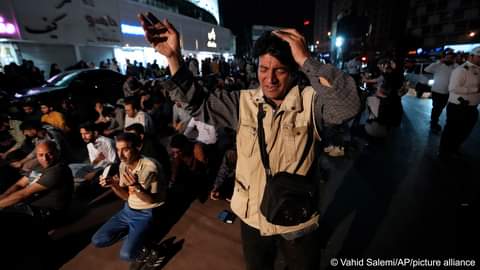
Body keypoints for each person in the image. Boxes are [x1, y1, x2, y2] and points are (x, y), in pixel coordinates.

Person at [139, 14, 359, 270]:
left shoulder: (311, 103)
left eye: (280, 70)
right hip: (252, 217)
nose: (270, 79)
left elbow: (347, 106)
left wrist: (306, 60)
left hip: (296, 219)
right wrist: (173, 57)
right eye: (264, 69)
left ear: (295, 71)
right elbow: (197, 103)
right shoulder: (242, 103)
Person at [91, 132, 167, 262]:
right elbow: (126, 197)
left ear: (137, 148)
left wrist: (136, 186)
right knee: (97, 240)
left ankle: (152, 248)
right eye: (118, 150)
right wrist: (113, 185)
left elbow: (151, 200)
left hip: (147, 212)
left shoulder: (150, 168)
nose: (120, 155)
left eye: (125, 150)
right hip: (128, 209)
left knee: (126, 255)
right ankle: (137, 238)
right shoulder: (123, 165)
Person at [0, 140, 73, 230]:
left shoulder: (57, 170)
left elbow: (23, 194)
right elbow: (20, 184)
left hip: (50, 212)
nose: (45, 159)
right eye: (41, 155)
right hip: (34, 206)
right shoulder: (39, 165)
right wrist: (2, 197)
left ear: (56, 152)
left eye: (49, 154)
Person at [439, 46, 480, 159]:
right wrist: (475, 89)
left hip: (472, 107)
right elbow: (452, 88)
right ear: (471, 56)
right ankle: (443, 152)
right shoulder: (461, 70)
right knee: (451, 131)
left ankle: (454, 148)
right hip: (458, 107)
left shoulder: (478, 69)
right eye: (479, 56)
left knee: (465, 131)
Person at [424, 49, 457, 133]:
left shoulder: (454, 67)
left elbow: (460, 69)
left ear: (453, 59)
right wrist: (438, 62)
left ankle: (434, 121)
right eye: (447, 57)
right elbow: (426, 69)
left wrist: (455, 63)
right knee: (436, 108)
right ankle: (434, 123)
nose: (448, 59)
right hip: (436, 91)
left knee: (441, 108)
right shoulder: (438, 65)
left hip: (447, 92)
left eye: (450, 58)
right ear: (444, 58)